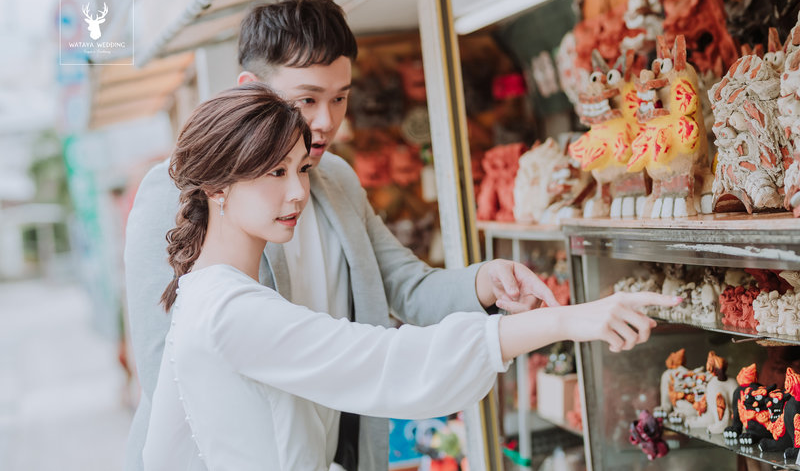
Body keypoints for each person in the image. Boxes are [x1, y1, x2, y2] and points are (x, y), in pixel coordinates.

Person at [124, 0, 559, 471]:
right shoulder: (177, 188)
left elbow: (406, 285)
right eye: (307, 99)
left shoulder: (338, 180)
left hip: (333, 447)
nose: (325, 122)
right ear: (250, 87)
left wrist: (487, 280)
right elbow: (163, 362)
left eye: (340, 98)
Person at [141, 83, 678, 471]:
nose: (297, 192)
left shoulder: (205, 292)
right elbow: (390, 362)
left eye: (301, 168)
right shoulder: (228, 309)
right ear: (217, 187)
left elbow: (163, 451)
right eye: (273, 173)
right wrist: (567, 320)